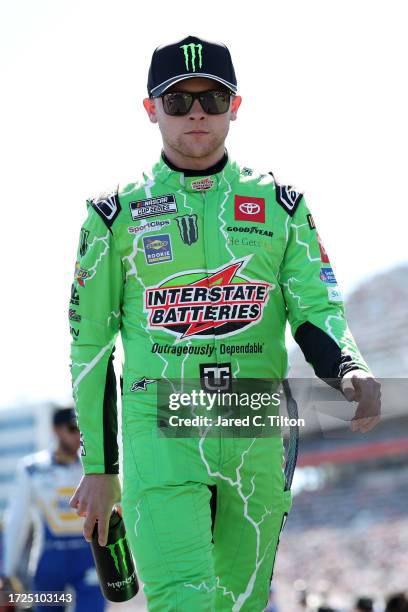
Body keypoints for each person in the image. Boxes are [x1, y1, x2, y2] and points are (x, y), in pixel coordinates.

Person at [68, 35, 381, 611]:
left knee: (241, 605)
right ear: (150, 109)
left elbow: (317, 311)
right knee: (184, 602)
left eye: (212, 99)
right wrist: (99, 467)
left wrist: (349, 369)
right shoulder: (112, 216)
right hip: (158, 428)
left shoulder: (284, 206)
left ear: (236, 107)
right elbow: (90, 344)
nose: (195, 112)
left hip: (254, 425)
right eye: (178, 99)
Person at [3, 408, 105, 612]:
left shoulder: (95, 467)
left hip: (89, 559)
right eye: (72, 429)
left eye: (81, 430)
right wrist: (7, 570)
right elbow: (17, 521)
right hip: (49, 561)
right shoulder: (32, 468)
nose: (78, 436)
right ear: (56, 430)